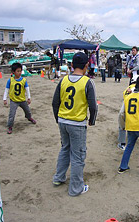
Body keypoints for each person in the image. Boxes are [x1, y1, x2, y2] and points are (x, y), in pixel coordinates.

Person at [52, 52, 98, 196]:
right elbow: (93, 106)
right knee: (78, 156)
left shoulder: (63, 80)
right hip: (77, 124)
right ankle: (76, 189)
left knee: (65, 148)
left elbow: (55, 103)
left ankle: (59, 178)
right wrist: (92, 120)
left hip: (62, 121)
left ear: (71, 65)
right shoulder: (87, 82)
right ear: (86, 65)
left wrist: (57, 118)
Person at [3, 63, 36, 134]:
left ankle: (29, 118)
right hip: (14, 101)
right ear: (13, 72)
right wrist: (4, 99)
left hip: (22, 100)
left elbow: (27, 89)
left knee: (28, 111)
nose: (19, 73)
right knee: (12, 114)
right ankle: (10, 126)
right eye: (18, 71)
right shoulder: (10, 80)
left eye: (20, 71)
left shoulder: (24, 80)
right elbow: (6, 89)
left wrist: (29, 98)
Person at [117, 75, 138, 151]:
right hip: (134, 111)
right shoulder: (137, 89)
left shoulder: (126, 89)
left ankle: (122, 143)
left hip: (126, 109)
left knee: (122, 126)